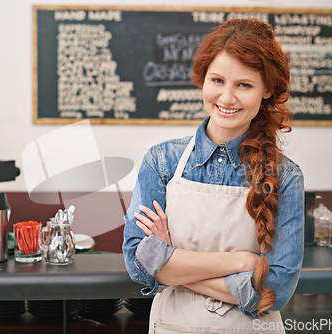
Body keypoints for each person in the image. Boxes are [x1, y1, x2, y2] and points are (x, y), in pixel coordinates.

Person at [122, 18, 304, 333]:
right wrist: (243, 263)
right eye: (217, 80)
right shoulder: (162, 161)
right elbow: (139, 264)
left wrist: (171, 265)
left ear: (267, 89)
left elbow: (274, 291)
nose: (226, 98)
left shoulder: (285, 176)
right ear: (203, 79)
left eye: (244, 85)